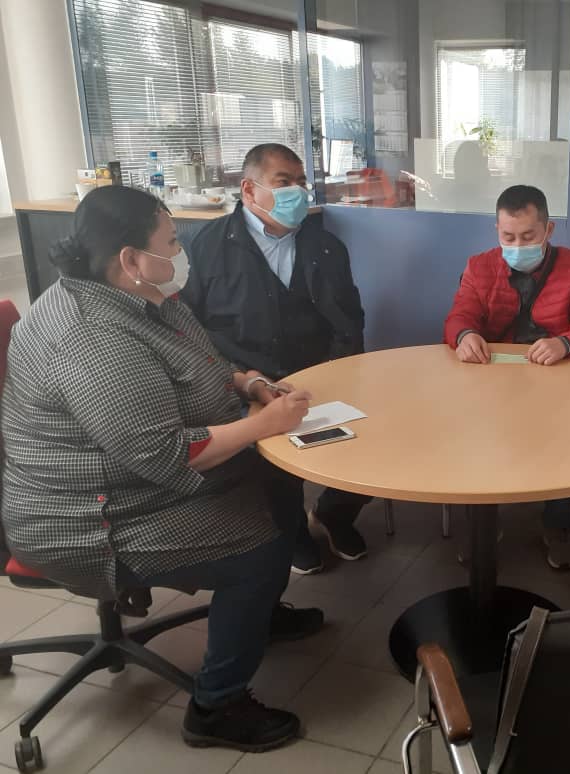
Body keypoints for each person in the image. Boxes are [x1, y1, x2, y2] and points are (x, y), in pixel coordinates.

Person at [1, 186, 320, 750]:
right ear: (130, 258)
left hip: (130, 483)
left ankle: (258, 615)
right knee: (260, 546)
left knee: (277, 480)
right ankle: (216, 707)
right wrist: (262, 426)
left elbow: (200, 362)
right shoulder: (89, 336)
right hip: (88, 519)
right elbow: (164, 453)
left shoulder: (141, 294)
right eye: (171, 241)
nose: (180, 251)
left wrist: (249, 384)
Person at [182, 143, 370, 574]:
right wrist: (242, 379)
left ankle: (334, 513)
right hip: (244, 381)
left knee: (372, 436)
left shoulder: (325, 245)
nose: (297, 192)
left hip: (322, 371)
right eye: (284, 182)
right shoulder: (206, 247)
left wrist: (342, 372)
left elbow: (349, 318)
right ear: (250, 190)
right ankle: (292, 531)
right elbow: (190, 328)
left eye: (301, 182)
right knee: (271, 466)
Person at [443, 184, 570, 569]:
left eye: (528, 236)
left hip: (557, 378)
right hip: (493, 380)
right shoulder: (479, 266)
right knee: (475, 433)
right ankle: (483, 523)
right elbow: (459, 316)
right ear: (497, 232)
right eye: (508, 237)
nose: (517, 245)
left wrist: (565, 343)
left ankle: (558, 524)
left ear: (549, 230)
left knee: (565, 434)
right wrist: (465, 336)